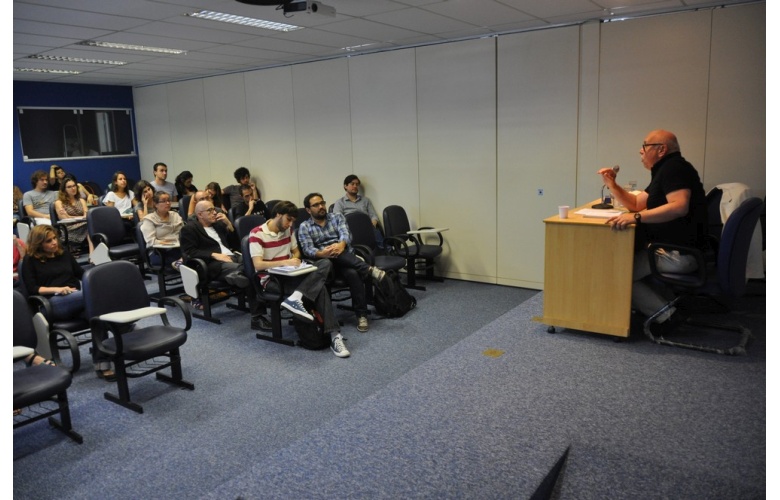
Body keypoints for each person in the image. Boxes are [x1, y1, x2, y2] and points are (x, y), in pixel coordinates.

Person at [600, 129, 707, 329]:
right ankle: (665, 308)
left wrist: (636, 218)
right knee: (624, 265)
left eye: (645, 145)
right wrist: (612, 185)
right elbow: (636, 203)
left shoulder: (674, 169)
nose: (640, 151)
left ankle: (666, 316)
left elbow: (679, 206)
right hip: (677, 250)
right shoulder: (665, 170)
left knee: (615, 272)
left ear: (661, 149)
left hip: (679, 255)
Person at [249, 201, 349, 356]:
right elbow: (258, 264)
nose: (290, 224)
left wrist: (294, 261)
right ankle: (334, 335)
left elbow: (296, 252)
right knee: (320, 288)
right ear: (278, 215)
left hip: (291, 274)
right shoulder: (257, 233)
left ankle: (297, 297)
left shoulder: (288, 229)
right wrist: (285, 262)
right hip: (272, 279)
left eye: (292, 221)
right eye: (288, 219)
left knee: (325, 263)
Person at [21, 224, 113, 379]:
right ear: (39, 244)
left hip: (77, 298)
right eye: (48, 241)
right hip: (52, 303)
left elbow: (81, 274)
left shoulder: (64, 254)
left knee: (97, 316)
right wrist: (58, 289)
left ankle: (102, 363)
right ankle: (124, 326)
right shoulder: (30, 261)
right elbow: (33, 289)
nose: (54, 243)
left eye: (55, 238)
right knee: (94, 297)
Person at [297, 193, 385, 333]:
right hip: (326, 265)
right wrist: (322, 253)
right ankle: (368, 269)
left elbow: (346, 234)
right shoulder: (304, 226)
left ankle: (361, 315)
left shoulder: (337, 217)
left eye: (322, 203)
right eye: (316, 205)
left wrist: (341, 245)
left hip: (344, 259)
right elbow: (307, 249)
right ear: (308, 210)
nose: (321, 206)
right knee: (333, 255)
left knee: (353, 273)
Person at [180, 199, 251, 292]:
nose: (214, 213)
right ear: (200, 214)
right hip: (214, 264)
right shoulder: (189, 229)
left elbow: (236, 244)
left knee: (252, 263)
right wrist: (214, 255)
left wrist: (229, 224)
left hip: (232, 256)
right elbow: (189, 252)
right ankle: (238, 276)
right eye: (210, 210)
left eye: (214, 209)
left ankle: (237, 275)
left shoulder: (218, 225)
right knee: (247, 269)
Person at [332, 174, 383, 248]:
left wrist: (373, 222)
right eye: (352, 184)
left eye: (357, 184)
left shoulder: (365, 200)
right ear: (345, 186)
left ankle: (387, 251)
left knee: (375, 229)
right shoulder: (340, 202)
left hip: (367, 226)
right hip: (351, 228)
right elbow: (337, 220)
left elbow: (373, 215)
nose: (355, 186)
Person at [140, 191, 184, 268]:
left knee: (195, 254)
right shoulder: (149, 219)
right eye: (163, 201)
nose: (167, 203)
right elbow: (151, 241)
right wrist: (167, 242)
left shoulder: (175, 215)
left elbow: (184, 232)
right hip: (159, 252)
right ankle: (181, 262)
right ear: (156, 204)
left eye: (168, 200)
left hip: (178, 248)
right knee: (190, 259)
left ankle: (181, 262)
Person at [54, 177, 93, 255]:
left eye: (74, 186)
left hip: (83, 225)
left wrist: (69, 216)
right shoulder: (59, 203)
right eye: (69, 187)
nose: (73, 188)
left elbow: (86, 215)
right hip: (68, 228)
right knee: (90, 226)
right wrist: (80, 217)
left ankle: (92, 253)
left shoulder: (81, 200)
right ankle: (93, 254)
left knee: (90, 226)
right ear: (64, 189)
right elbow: (65, 218)